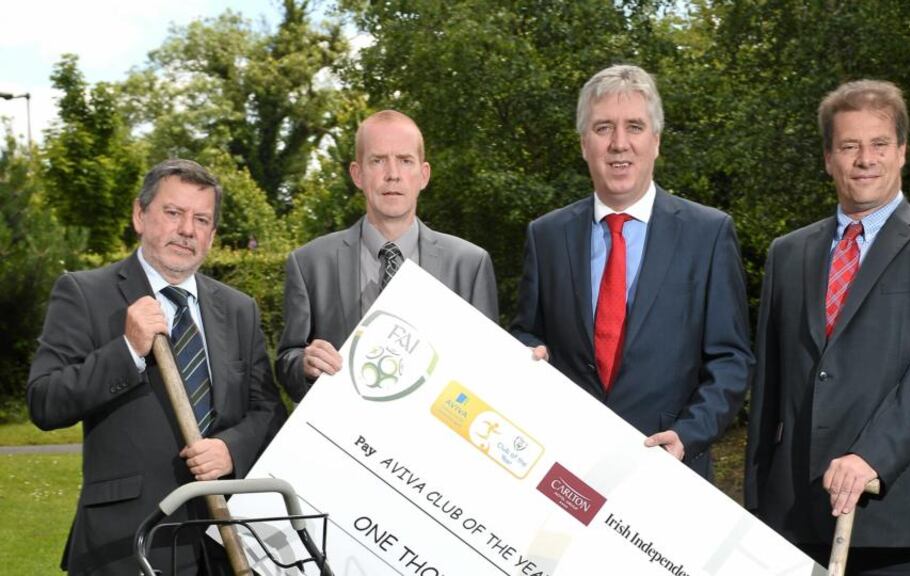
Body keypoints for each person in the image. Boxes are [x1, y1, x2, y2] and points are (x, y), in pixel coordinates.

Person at [744, 79, 910, 575]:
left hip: (903, 517)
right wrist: (756, 506)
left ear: (902, 152)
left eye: (879, 144)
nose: (865, 159)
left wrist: (871, 456)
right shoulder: (788, 253)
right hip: (795, 519)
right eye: (849, 146)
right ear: (828, 159)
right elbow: (769, 387)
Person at [27, 159, 286, 575]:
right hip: (125, 546)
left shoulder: (239, 310)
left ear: (212, 235)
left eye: (201, 219)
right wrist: (127, 349)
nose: (187, 229)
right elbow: (45, 401)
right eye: (173, 213)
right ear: (139, 215)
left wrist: (231, 449)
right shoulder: (85, 293)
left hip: (222, 546)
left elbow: (268, 411)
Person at [509, 64, 753, 479]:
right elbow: (526, 332)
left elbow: (731, 359)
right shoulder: (547, 236)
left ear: (655, 142)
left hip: (668, 468)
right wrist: (528, 354)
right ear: (584, 144)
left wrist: (687, 434)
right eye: (603, 128)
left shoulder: (707, 234)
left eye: (634, 127)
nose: (619, 144)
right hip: (565, 467)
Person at [277, 110, 499, 402]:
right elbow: (286, 361)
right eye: (378, 160)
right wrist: (304, 365)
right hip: (341, 438)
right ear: (358, 174)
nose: (392, 174)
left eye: (405, 161)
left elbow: (488, 371)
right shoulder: (310, 263)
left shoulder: (469, 264)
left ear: (424, 175)